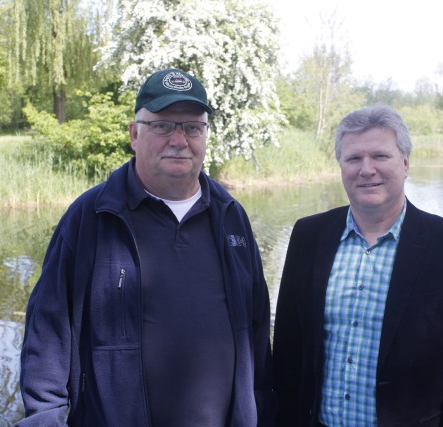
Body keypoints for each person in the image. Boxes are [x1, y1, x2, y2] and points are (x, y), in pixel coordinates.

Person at [16, 68, 275, 426]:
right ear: (134, 134)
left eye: (192, 127)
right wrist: (45, 418)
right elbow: (48, 332)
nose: (179, 139)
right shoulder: (92, 217)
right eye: (163, 126)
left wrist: (261, 409)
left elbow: (258, 330)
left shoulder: (231, 217)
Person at [272, 104, 443, 426]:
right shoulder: (308, 236)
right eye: (353, 158)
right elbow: (288, 352)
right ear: (340, 166)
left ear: (405, 163)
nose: (366, 170)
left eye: (380, 156)